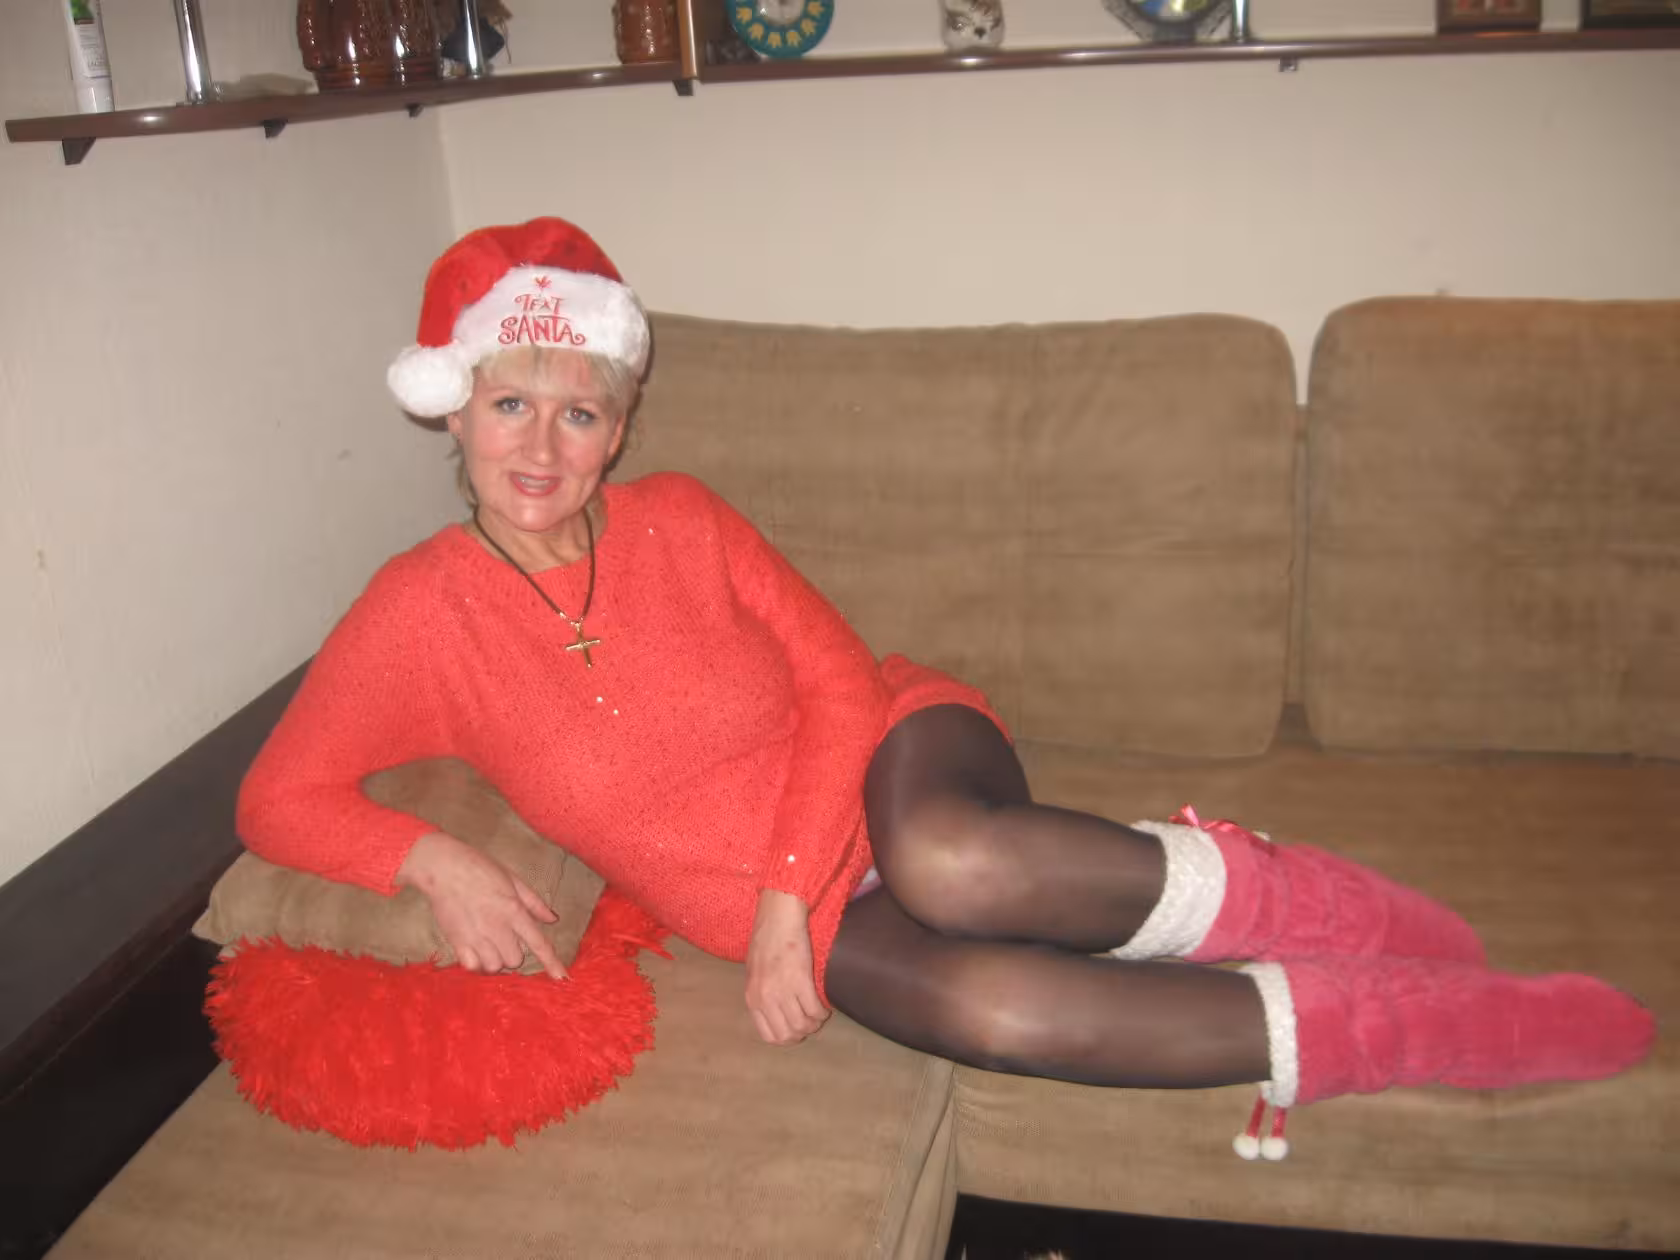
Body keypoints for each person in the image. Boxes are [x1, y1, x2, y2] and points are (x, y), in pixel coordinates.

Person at [238, 217, 1654, 1158]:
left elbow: (840, 681)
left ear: (619, 430)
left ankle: (1304, 898)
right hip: (803, 912)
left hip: (900, 762)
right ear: (456, 410)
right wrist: (430, 858)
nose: (543, 449)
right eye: (509, 405)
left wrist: (781, 905)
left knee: (954, 865)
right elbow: (278, 797)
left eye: (579, 412)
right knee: (998, 1016)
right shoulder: (417, 614)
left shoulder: (682, 520)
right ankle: (1410, 1029)